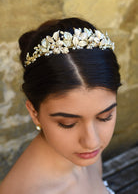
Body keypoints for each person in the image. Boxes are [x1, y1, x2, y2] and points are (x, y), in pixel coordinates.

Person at [0, 17, 121, 194]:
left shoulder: (87, 152)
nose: (92, 141)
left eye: (105, 117)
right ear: (34, 112)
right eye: (67, 123)